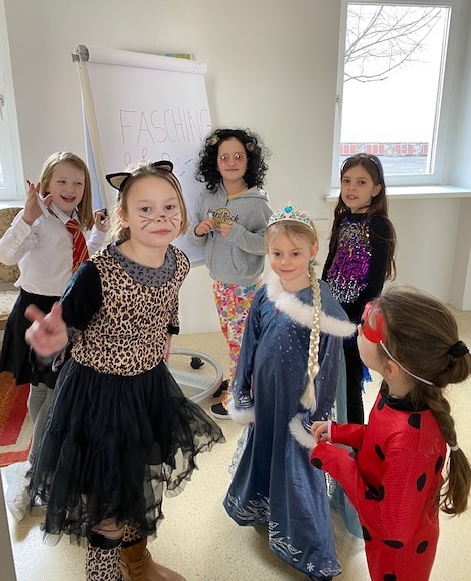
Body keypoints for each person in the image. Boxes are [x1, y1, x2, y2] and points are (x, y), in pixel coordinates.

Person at [24, 160, 224, 581]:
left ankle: (136, 562)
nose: (160, 217)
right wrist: (51, 341)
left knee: (136, 478)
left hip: (147, 387)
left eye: (169, 207)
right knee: (108, 502)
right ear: (124, 216)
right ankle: (103, 574)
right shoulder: (97, 273)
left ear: (182, 213)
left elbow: (169, 304)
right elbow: (65, 326)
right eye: (145, 209)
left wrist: (166, 335)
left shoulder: (178, 261)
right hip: (100, 395)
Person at [223, 204, 356, 581]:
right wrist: (242, 391)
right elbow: (250, 343)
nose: (284, 262)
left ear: (313, 251)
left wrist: (318, 419)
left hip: (300, 406)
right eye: (277, 253)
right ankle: (263, 506)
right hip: (267, 398)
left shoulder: (323, 305)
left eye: (294, 253)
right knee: (264, 450)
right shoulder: (266, 293)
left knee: (298, 469)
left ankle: (312, 551)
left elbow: (329, 369)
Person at [310, 285, 471, 581]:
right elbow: (377, 438)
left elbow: (392, 528)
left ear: (392, 367)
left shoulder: (411, 443)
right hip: (381, 545)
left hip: (397, 560)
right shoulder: (396, 394)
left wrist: (338, 462)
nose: (359, 328)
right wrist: (338, 432)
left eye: (368, 328)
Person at [0, 151, 107, 521]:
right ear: (46, 184)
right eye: (62, 181)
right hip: (36, 310)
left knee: (57, 390)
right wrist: (27, 217)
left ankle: (39, 464)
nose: (70, 188)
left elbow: (83, 263)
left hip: (67, 313)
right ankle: (35, 469)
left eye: (78, 182)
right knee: (44, 391)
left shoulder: (78, 223)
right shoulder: (38, 220)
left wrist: (98, 232)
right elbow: (6, 255)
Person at [188, 127, 272, 419]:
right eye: (224, 157)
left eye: (238, 156)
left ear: (249, 160)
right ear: (215, 161)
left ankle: (240, 399)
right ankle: (242, 384)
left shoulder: (257, 202)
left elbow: (268, 243)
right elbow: (195, 239)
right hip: (220, 283)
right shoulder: (208, 197)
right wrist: (199, 231)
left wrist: (238, 234)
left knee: (241, 343)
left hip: (244, 286)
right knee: (234, 339)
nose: (231, 162)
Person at [322, 153, 397, 424]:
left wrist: (354, 318)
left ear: (376, 189)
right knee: (329, 374)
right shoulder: (342, 219)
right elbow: (330, 263)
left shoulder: (379, 225)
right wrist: (321, 295)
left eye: (361, 182)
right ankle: (333, 426)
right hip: (332, 311)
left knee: (350, 382)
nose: (351, 188)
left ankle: (354, 437)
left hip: (354, 320)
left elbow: (375, 282)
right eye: (346, 181)